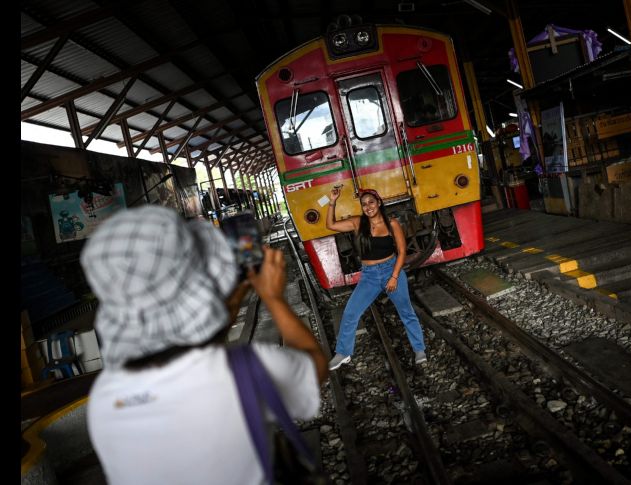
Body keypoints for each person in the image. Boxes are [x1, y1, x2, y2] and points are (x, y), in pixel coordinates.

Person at [80, 205, 328, 485]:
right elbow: (316, 365)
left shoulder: (103, 399)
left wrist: (228, 306)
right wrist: (273, 298)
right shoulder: (247, 369)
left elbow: (190, 355)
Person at [326, 186, 427, 370]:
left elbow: (402, 252)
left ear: (379, 203)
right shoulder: (358, 223)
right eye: (364, 204)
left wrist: (395, 277)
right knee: (350, 312)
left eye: (371, 202)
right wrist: (332, 201)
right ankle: (343, 353)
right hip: (370, 276)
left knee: (406, 312)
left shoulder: (392, 223)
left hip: (391, 270)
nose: (368, 207)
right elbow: (331, 225)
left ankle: (419, 350)